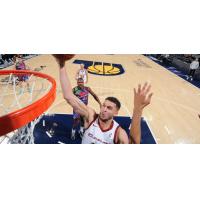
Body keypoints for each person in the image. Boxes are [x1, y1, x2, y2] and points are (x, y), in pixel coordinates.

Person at [54, 55, 153, 144]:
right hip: (84, 111)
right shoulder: (91, 116)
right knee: (76, 120)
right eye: (104, 106)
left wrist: (138, 109)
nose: (104, 109)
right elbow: (68, 96)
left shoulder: (118, 133)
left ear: (116, 113)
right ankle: (75, 131)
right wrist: (62, 65)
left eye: (109, 108)